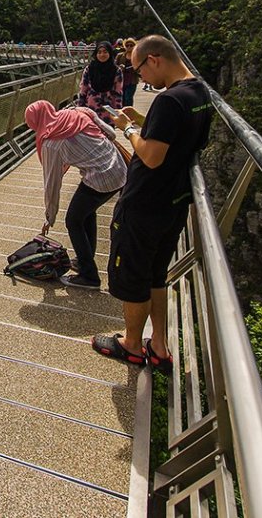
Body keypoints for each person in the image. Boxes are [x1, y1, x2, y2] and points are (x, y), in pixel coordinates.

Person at [93, 35, 213, 375]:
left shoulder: (169, 100)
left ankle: (131, 344)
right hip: (174, 202)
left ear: (154, 59)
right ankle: (158, 346)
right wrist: (146, 125)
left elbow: (152, 156)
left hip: (146, 201)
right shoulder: (200, 93)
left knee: (133, 274)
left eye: (139, 69)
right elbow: (179, 140)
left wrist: (128, 128)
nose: (141, 79)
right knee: (156, 273)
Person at [24, 100, 128, 290]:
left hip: (101, 178)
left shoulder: (51, 142)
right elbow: (112, 134)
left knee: (73, 220)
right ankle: (84, 259)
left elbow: (52, 183)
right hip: (119, 168)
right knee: (86, 212)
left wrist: (50, 215)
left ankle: (89, 276)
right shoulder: (78, 112)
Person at [75, 41, 123, 120]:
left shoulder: (116, 70)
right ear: (96, 54)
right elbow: (83, 89)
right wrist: (79, 109)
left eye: (105, 52)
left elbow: (118, 93)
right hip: (90, 110)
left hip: (108, 111)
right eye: (99, 52)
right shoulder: (89, 69)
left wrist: (118, 112)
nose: (102, 55)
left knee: (107, 131)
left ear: (110, 53)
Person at [118, 38, 139, 106]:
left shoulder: (137, 56)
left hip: (132, 80)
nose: (129, 47)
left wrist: (136, 68)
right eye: (127, 45)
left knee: (128, 98)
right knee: (122, 98)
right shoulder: (120, 56)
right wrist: (119, 67)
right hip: (122, 80)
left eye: (131, 45)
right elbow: (114, 66)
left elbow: (141, 69)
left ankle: (129, 113)